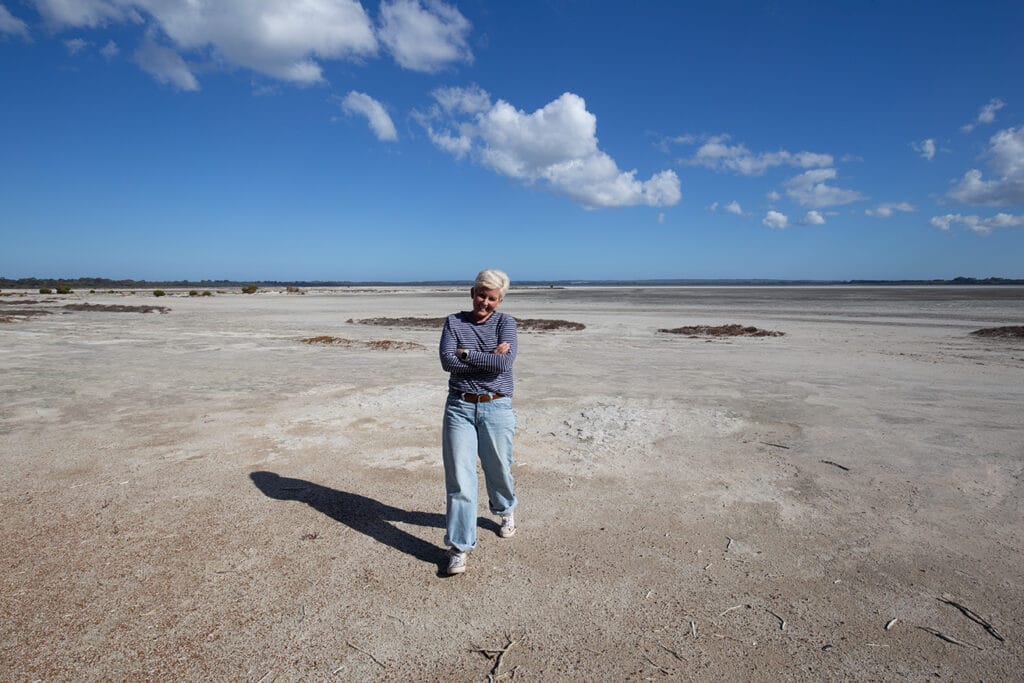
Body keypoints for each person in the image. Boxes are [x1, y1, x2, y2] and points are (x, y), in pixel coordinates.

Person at [438, 269, 518, 575]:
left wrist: (467, 354)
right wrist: (486, 358)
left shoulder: (506, 323)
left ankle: (505, 510)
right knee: (460, 478)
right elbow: (447, 362)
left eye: (492, 298)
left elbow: (504, 363)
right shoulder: (454, 322)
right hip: (459, 407)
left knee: (498, 468)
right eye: (481, 294)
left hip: (496, 408)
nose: (485, 302)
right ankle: (459, 546)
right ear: (472, 292)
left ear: (499, 300)